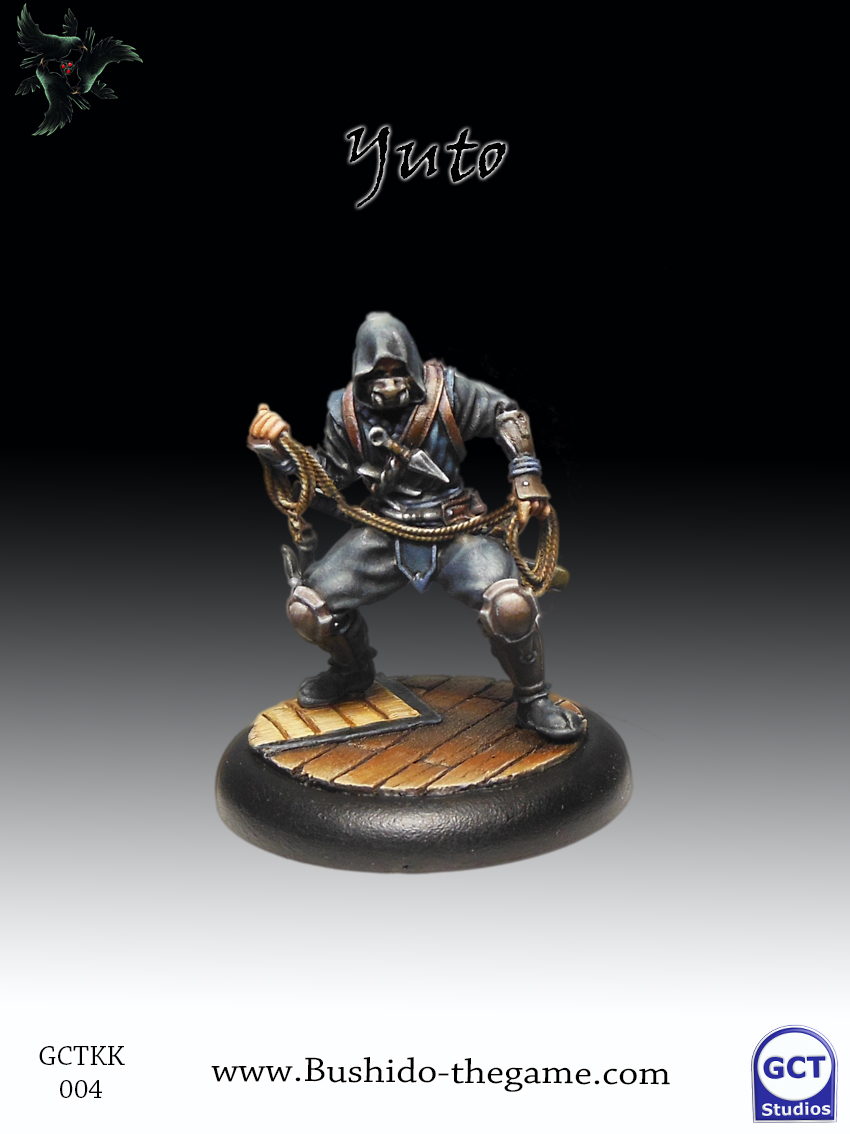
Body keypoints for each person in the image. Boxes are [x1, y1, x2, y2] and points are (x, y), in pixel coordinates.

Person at [248, 311, 583, 742]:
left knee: (510, 606)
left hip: (454, 528)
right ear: (361, 373)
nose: (389, 383)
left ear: (411, 365)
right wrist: (277, 451)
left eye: (396, 371)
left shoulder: (448, 392)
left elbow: (507, 415)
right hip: (384, 531)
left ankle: (534, 700)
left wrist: (526, 479)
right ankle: (353, 671)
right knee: (308, 608)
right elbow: (329, 476)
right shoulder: (346, 411)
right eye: (377, 374)